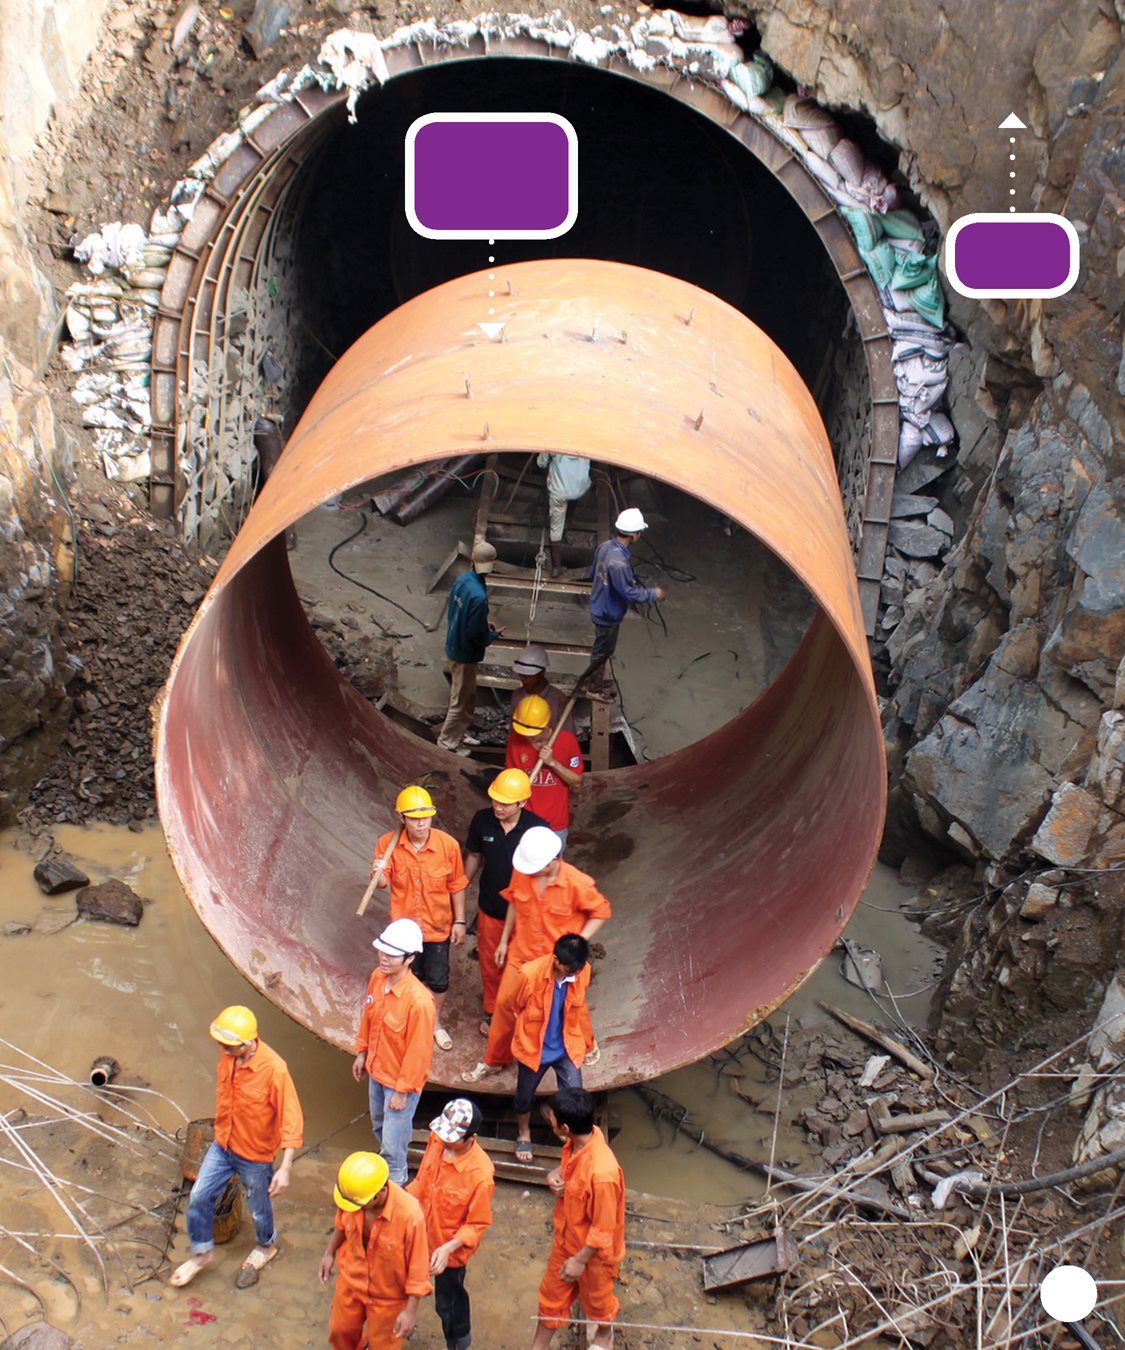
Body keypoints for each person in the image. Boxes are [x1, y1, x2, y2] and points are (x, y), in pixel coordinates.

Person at [170, 1005, 303, 1289]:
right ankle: (202, 1253)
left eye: (229, 1047)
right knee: (199, 1196)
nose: (223, 1051)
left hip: (255, 1155)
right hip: (223, 1143)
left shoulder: (274, 1070)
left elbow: (292, 1118)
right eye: (222, 1045)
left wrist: (285, 1167)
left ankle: (266, 1246)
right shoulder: (228, 1054)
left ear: (248, 1042)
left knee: (259, 1206)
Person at [463, 826, 610, 1083]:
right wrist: (503, 942)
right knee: (504, 1005)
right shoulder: (524, 872)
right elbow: (515, 903)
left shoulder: (576, 883)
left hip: (558, 963)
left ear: (554, 859)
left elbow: (601, 912)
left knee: (571, 1007)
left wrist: (577, 943)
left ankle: (587, 1044)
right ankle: (495, 1059)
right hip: (522, 955)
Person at [372, 785, 469, 1051]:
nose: (421, 824)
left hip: (437, 927)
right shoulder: (386, 844)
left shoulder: (447, 845)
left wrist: (459, 921)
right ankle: (409, 1022)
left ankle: (434, 1022)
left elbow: (457, 884)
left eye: (425, 817)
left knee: (438, 979)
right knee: (407, 978)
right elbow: (381, 884)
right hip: (404, 932)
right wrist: (379, 870)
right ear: (402, 818)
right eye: (414, 818)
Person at [530, 1087, 625, 1350]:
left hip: (595, 1255)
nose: (549, 1121)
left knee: (598, 1301)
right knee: (551, 1297)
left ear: (564, 1127)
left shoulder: (603, 1173)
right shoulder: (579, 1142)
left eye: (551, 1119)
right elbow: (571, 1170)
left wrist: (580, 1260)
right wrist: (556, 1175)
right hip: (566, 1241)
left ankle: (604, 1335)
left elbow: (603, 1229)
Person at [463, 768, 549, 1037]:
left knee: (524, 966)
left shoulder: (537, 829)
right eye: (494, 800)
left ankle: (523, 1011)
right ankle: (493, 1011)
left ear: (522, 802)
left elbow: (547, 873)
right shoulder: (482, 821)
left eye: (504, 803)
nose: (497, 806)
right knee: (490, 963)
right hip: (490, 907)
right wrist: (460, 887)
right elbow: (475, 856)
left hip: (525, 913)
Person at [406, 1099, 495, 1350]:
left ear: (471, 1138)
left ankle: (459, 1343)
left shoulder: (480, 1175)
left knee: (448, 1302)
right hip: (419, 1231)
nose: (444, 1141)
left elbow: (477, 1224)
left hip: (448, 1250)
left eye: (452, 1138)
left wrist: (447, 1249)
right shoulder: (437, 1140)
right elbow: (423, 1180)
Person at [320, 1150, 431, 1350]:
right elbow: (341, 1224)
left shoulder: (410, 1216)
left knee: (383, 1346)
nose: (355, 1209)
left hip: (388, 1297)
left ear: (380, 1192)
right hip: (351, 1282)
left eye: (360, 1205)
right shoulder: (354, 1197)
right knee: (340, 1332)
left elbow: (418, 1269)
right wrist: (329, 1252)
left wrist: (410, 1312)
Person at [353, 918, 435, 1184]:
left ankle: (395, 1181)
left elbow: (418, 1053)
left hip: (399, 1083)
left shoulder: (419, 1002)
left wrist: (401, 1092)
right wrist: (362, 1052)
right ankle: (388, 1162)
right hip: (377, 1071)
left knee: (393, 1140)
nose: (384, 958)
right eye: (381, 951)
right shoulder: (377, 978)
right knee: (379, 1124)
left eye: (391, 954)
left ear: (410, 958)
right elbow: (368, 1016)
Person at [511, 935, 594, 1163]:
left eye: (577, 971)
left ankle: (557, 1120)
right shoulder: (529, 975)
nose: (574, 976)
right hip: (534, 1048)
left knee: (575, 1096)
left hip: (567, 1045)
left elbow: (580, 1007)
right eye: (569, 971)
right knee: (523, 1097)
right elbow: (516, 1005)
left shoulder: (582, 971)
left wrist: (589, 1041)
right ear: (556, 960)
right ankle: (524, 1132)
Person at [587, 508, 665, 702]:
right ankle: (593, 688)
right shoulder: (619, 563)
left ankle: (596, 681)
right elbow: (629, 593)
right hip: (608, 613)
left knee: (604, 648)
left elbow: (592, 572)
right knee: (602, 650)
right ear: (634, 534)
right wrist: (653, 594)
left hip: (600, 604)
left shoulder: (605, 546)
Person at [438, 540, 503, 753]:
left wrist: (483, 621)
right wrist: (490, 634)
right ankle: (446, 744)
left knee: (466, 697)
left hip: (453, 643)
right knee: (460, 702)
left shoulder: (463, 580)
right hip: (465, 654)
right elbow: (476, 634)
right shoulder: (479, 597)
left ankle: (458, 734)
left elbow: (463, 613)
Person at [506, 695, 583, 850]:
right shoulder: (515, 740)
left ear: (546, 724)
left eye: (531, 731)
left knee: (551, 873)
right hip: (523, 821)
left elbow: (576, 782)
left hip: (555, 826)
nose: (527, 735)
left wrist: (553, 763)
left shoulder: (567, 741)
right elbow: (511, 781)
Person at [535, 453, 590, 576]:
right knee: (577, 493)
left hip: (559, 493)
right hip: (580, 489)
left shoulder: (554, 441)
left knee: (556, 526)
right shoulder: (586, 439)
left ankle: (556, 567)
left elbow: (541, 463)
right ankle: (568, 521)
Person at [507, 645, 576, 736]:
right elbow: (513, 732)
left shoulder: (558, 700)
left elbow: (568, 738)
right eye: (521, 675)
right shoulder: (517, 695)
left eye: (528, 676)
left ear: (541, 673)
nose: (523, 679)